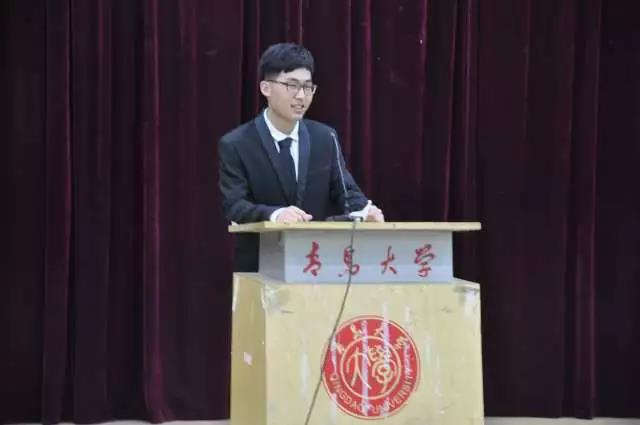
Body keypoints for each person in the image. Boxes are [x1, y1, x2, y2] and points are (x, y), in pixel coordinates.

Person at [219, 42, 383, 272]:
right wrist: (276, 214)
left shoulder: (325, 137)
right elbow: (235, 205)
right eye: (291, 85)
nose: (301, 96)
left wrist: (365, 210)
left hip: (317, 263)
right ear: (266, 88)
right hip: (260, 265)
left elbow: (345, 191)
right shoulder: (237, 143)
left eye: (308, 87)